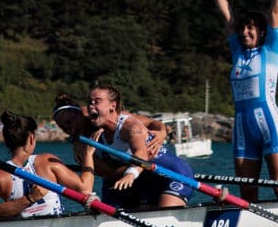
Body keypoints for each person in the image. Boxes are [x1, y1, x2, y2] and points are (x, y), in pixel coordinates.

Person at [207, 0, 278, 200]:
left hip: (269, 123)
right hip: (243, 128)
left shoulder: (271, 49)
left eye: (251, 29)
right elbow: (226, 14)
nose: (245, 32)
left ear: (262, 32)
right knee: (246, 191)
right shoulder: (237, 51)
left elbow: (274, 12)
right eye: (243, 28)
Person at [75, 83, 191, 211]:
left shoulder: (129, 126)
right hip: (147, 178)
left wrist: (130, 174)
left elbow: (141, 153)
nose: (92, 105)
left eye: (97, 101)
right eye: (89, 102)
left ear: (112, 105)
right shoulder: (95, 131)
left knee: (165, 216)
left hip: (172, 173)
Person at [0, 111, 88, 220]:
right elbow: (85, 189)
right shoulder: (48, 162)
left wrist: (24, 201)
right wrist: (89, 154)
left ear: (7, 141)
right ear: (31, 138)